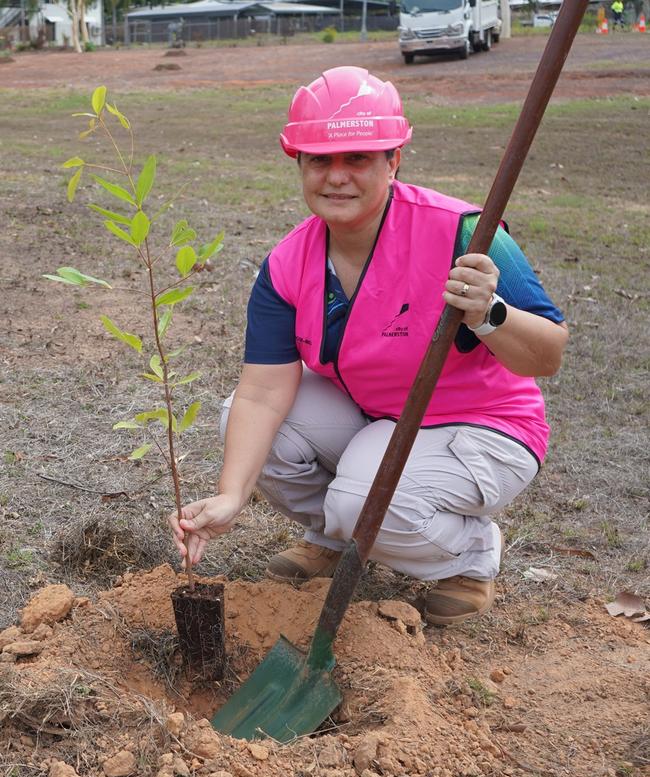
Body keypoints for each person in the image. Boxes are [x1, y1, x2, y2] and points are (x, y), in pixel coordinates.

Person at [170, 66, 568, 626]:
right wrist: (232, 495)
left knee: (361, 501)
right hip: (382, 420)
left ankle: (471, 556)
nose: (337, 177)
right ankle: (333, 538)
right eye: (319, 160)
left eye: (357, 158)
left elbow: (548, 356)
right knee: (247, 419)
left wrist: (490, 313)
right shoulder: (289, 264)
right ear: (299, 165)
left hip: (485, 426)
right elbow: (262, 392)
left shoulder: (465, 232)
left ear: (393, 160)